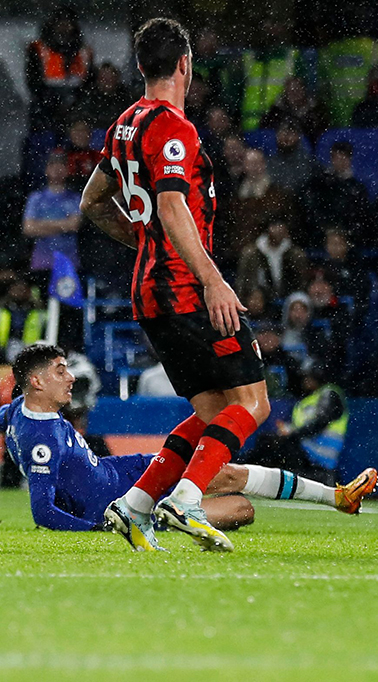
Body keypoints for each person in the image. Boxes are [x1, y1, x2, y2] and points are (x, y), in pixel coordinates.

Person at [79, 19, 271, 553]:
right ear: (185, 63)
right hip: (187, 289)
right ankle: (186, 502)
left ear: (141, 66)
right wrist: (213, 280)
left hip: (149, 294)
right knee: (254, 403)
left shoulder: (124, 124)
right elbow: (169, 203)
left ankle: (135, 504)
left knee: (212, 412)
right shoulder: (173, 127)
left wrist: (144, 246)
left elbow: (91, 203)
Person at [0, 345, 377, 537]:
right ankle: (336, 498)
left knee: (227, 478)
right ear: (36, 382)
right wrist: (104, 528)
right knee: (241, 506)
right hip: (121, 499)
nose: (70, 378)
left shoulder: (18, 410)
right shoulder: (41, 439)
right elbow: (43, 513)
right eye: (60, 371)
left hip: (127, 472)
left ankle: (337, 497)